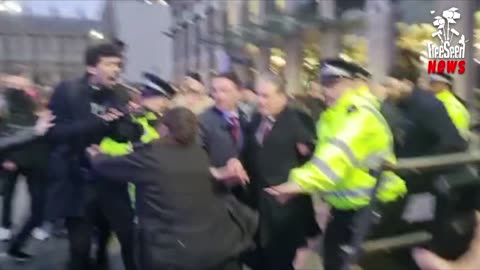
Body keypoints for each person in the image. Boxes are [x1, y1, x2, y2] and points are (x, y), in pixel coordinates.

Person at [264, 59, 407, 270]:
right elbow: (323, 158)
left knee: (354, 262)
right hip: (348, 207)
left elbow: (337, 155)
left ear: (354, 83)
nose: (326, 89)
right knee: (333, 258)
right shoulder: (330, 117)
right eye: (324, 82)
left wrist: (299, 183)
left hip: (377, 204)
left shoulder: (361, 115)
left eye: (334, 82)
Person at [88, 107, 253, 270]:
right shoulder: (198, 153)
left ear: (165, 128)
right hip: (204, 243)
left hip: (167, 249)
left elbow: (107, 166)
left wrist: (96, 155)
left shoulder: (152, 159)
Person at [47, 43, 130, 270]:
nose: (116, 69)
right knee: (80, 248)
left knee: (108, 238)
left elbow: (123, 136)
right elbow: (54, 132)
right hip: (77, 181)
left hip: (108, 179)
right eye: (110, 64)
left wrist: (129, 125)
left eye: (118, 64)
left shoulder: (120, 93)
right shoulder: (67, 90)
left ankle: (101, 260)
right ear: (92, 68)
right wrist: (99, 121)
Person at [243, 72, 319, 270]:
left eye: (265, 95)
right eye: (258, 95)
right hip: (258, 208)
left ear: (282, 96)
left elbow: (312, 160)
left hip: (284, 209)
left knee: (281, 263)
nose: (260, 101)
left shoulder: (298, 119)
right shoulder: (255, 120)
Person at [384, 67, 468, 157]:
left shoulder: (434, 105)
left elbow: (452, 143)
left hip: (432, 165)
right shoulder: (397, 103)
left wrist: (421, 164)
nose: (429, 86)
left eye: (433, 83)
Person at [427, 73, 470, 140]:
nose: (430, 85)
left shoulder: (439, 103)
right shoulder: (457, 103)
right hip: (460, 144)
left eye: (434, 83)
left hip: (446, 146)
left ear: (445, 86)